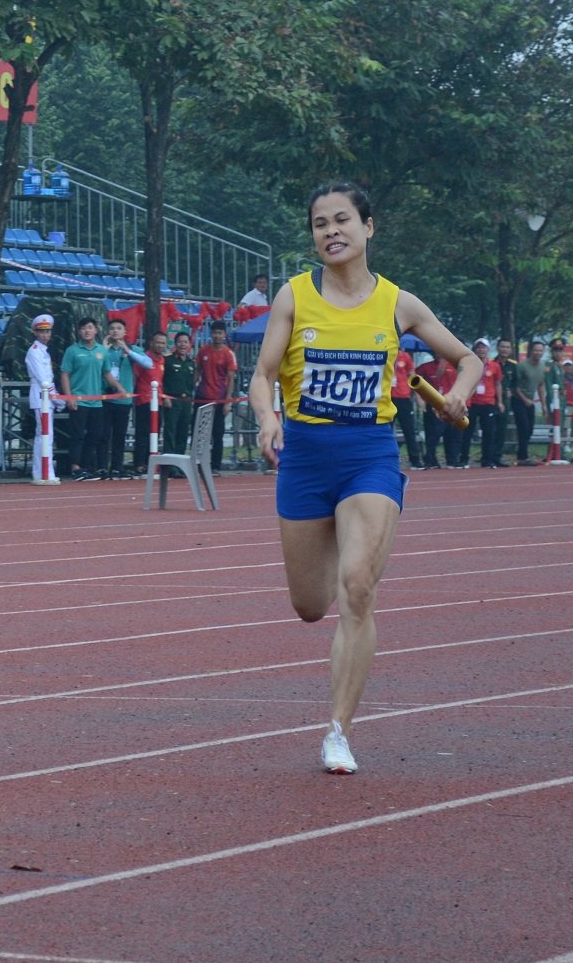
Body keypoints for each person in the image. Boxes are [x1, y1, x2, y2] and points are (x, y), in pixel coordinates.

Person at [247, 181, 477, 774]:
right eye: (320, 223)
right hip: (304, 458)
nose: (331, 231)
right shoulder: (294, 296)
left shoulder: (399, 303)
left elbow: (469, 359)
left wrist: (456, 394)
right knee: (309, 605)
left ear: (369, 227)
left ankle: (338, 732)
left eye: (342, 219)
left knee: (357, 587)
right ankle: (331, 653)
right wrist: (269, 416)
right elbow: (263, 373)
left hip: (369, 454)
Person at [58, 316, 105, 480]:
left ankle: (86, 466)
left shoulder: (101, 350)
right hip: (78, 400)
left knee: (95, 435)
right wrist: (68, 396)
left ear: (96, 330)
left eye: (90, 327)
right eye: (84, 328)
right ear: (79, 331)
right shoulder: (72, 351)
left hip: (97, 402)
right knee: (77, 435)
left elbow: (106, 373)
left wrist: (119, 388)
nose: (87, 331)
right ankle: (75, 467)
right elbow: (64, 373)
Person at [100, 318, 144, 478]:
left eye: (119, 328)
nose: (115, 331)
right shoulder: (103, 349)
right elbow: (96, 364)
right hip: (105, 398)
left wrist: (128, 351)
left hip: (123, 399)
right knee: (104, 435)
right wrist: (104, 350)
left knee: (119, 435)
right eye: (112, 328)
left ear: (125, 332)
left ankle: (117, 466)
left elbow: (148, 363)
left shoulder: (132, 349)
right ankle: (102, 466)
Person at [195, 320, 239, 473]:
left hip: (220, 399)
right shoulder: (203, 351)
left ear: (224, 334)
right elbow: (197, 371)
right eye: (214, 332)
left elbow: (231, 378)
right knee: (201, 433)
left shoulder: (228, 354)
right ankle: (200, 463)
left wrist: (228, 402)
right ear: (211, 334)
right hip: (202, 397)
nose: (217, 335)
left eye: (220, 333)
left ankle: (215, 466)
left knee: (218, 434)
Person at [23, 313, 56, 482]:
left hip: (47, 395)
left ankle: (44, 471)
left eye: (48, 331)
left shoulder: (44, 352)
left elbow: (49, 377)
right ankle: (43, 472)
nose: (45, 335)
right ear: (36, 333)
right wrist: (57, 397)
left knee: (45, 435)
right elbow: (43, 379)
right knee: (44, 435)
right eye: (42, 332)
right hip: (41, 395)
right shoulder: (34, 352)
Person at [130, 330, 168, 474]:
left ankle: (150, 462)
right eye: (157, 342)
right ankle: (139, 463)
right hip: (144, 401)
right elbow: (135, 376)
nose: (160, 345)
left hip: (158, 403)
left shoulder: (163, 360)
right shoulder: (144, 359)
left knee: (155, 433)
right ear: (151, 343)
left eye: (163, 343)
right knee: (143, 433)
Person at [510, 339, 549, 467]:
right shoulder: (521, 366)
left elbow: (541, 385)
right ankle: (523, 456)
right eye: (536, 350)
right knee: (523, 427)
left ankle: (522, 454)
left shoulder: (542, 366)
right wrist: (524, 399)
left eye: (540, 350)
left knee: (530, 429)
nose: (538, 352)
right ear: (531, 351)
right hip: (518, 400)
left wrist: (543, 405)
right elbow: (515, 386)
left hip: (531, 402)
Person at [468, 338, 505, 468]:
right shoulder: (470, 364)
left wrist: (500, 402)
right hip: (472, 402)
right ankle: (463, 458)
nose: (481, 350)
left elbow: (498, 384)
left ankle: (487, 459)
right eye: (478, 347)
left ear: (488, 350)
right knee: (468, 430)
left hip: (488, 402)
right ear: (475, 349)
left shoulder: (494, 366)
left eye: (483, 347)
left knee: (489, 432)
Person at [162, 330, 196, 456]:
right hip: (172, 400)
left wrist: (191, 403)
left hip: (186, 401)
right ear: (175, 344)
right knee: (171, 432)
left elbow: (191, 384)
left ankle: (180, 463)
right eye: (180, 342)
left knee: (183, 432)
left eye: (185, 342)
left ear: (189, 345)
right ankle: (169, 464)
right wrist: (165, 397)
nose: (183, 345)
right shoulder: (168, 361)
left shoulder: (191, 363)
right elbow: (163, 381)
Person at [390, 342, 421, 469]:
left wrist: (418, 395)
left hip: (403, 398)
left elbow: (412, 376)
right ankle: (388, 461)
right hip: (387, 398)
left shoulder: (405, 356)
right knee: (386, 431)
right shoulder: (385, 354)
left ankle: (415, 460)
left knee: (409, 430)